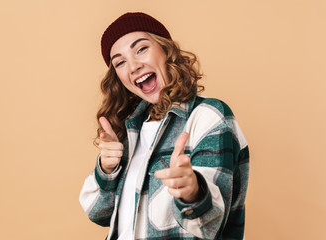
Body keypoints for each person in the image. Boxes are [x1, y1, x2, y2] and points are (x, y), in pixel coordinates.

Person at [79, 12, 249, 240]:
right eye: (120, 62)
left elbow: (211, 224)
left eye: (141, 49)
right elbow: (97, 213)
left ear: (166, 50)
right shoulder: (130, 132)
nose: (133, 66)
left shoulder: (208, 116)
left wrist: (192, 192)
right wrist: (107, 170)